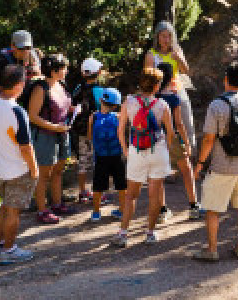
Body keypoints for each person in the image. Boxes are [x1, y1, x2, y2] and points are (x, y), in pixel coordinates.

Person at [192, 61, 238, 261]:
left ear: (225, 80)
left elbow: (208, 139)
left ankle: (212, 250)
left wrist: (200, 163)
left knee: (213, 209)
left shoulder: (216, 105)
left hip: (221, 166)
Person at [112, 68, 177, 247]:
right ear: (157, 86)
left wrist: (126, 150)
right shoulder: (163, 105)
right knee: (155, 194)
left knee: (131, 195)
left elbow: (121, 129)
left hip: (136, 151)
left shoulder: (129, 101)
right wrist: (167, 150)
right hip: (158, 151)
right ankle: (150, 233)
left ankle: (123, 233)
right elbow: (170, 133)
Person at [0, 65, 38, 263]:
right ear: (18, 85)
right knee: (13, 211)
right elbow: (26, 146)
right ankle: (9, 249)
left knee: (4, 208)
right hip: (17, 169)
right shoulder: (17, 111)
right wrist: (34, 169)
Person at [27, 53, 76, 223]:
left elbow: (63, 106)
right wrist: (54, 127)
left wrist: (72, 111)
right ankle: (42, 210)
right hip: (45, 137)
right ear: (54, 71)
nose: (67, 71)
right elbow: (32, 116)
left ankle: (57, 203)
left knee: (58, 171)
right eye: (64, 68)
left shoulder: (61, 85)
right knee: (43, 175)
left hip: (62, 133)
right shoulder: (40, 88)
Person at [156, 63, 202, 220]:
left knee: (158, 174)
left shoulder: (153, 97)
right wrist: (187, 143)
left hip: (155, 138)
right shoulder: (173, 98)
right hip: (173, 137)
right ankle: (194, 205)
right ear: (171, 78)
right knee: (186, 170)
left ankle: (162, 210)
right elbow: (179, 123)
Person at [144, 21, 196, 156]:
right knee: (162, 127)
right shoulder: (151, 54)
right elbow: (147, 77)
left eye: (169, 36)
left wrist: (178, 57)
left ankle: (190, 153)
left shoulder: (177, 50)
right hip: (159, 94)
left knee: (185, 122)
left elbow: (185, 70)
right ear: (157, 37)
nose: (166, 40)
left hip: (177, 91)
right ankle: (164, 157)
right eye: (163, 36)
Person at [88, 87, 127, 222]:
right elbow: (122, 134)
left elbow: (89, 135)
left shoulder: (93, 117)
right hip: (117, 156)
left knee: (98, 185)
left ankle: (96, 213)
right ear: (116, 105)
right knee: (121, 185)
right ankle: (122, 210)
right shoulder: (119, 117)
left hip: (100, 156)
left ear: (100, 100)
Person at [71, 57, 105, 203]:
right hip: (96, 131)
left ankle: (83, 191)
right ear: (98, 72)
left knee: (83, 161)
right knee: (98, 162)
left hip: (81, 131)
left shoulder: (78, 88)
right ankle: (98, 193)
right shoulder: (99, 90)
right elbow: (102, 109)